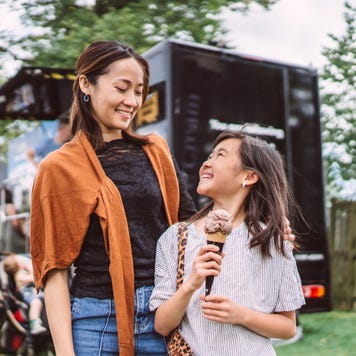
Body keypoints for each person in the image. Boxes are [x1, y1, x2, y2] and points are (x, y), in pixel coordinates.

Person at [29, 40, 196, 356]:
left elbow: (190, 225)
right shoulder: (59, 167)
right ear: (86, 84)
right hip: (96, 324)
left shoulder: (155, 151)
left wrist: (256, 223)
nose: (132, 101)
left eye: (139, 91)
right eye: (122, 88)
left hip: (163, 318)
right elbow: (55, 270)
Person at [150, 130, 306, 355]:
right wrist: (192, 283)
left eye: (220, 155)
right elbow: (162, 325)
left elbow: (288, 327)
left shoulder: (274, 240)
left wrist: (240, 315)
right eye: (210, 156)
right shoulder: (175, 237)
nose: (206, 162)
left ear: (249, 177)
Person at [3, 254, 47, 335]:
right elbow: (34, 279)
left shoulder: (21, 272)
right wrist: (30, 268)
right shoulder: (19, 275)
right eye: (21, 261)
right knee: (36, 302)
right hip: (27, 292)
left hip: (31, 290)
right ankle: (34, 322)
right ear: (18, 265)